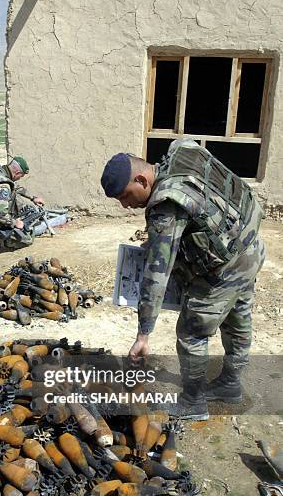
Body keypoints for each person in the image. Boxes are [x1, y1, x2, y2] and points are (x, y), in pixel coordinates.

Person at [101, 138, 265, 420]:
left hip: (224, 268)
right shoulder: (183, 149)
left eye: (126, 197)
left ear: (141, 180)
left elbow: (156, 276)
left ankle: (193, 403)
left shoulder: (166, 206)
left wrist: (143, 334)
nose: (126, 206)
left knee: (191, 333)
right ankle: (229, 384)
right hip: (249, 246)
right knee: (238, 316)